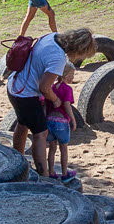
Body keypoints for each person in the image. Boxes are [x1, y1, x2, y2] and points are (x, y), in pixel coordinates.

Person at [6, 27, 97, 177]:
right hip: (26, 95)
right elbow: (44, 88)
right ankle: (44, 175)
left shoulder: (52, 36)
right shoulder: (58, 58)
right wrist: (56, 100)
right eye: (82, 55)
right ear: (79, 49)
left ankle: (17, 161)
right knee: (41, 134)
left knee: (23, 124)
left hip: (14, 84)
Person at [46, 75, 76, 182]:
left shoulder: (51, 87)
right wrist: (73, 119)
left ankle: (51, 172)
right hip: (61, 122)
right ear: (66, 76)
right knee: (63, 148)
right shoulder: (67, 89)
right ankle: (64, 174)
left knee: (52, 148)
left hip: (49, 120)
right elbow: (67, 104)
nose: (73, 77)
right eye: (72, 75)